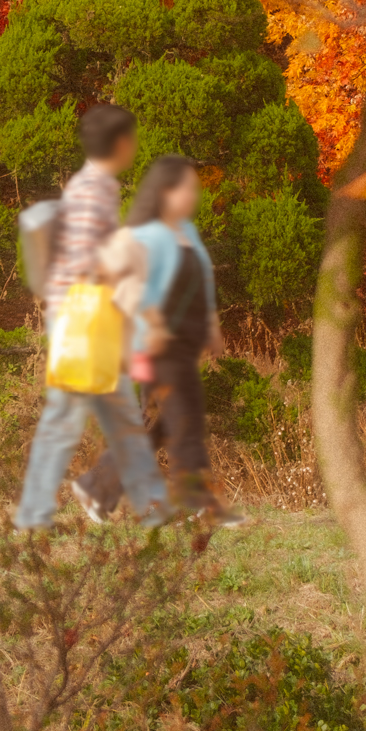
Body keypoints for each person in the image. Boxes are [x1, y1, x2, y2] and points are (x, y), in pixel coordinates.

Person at [13, 104, 169, 531]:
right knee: (75, 415)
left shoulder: (87, 186)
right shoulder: (96, 189)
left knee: (105, 411)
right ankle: (44, 510)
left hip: (79, 313)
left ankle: (140, 502)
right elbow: (89, 260)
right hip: (84, 315)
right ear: (120, 144)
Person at [90, 152, 244, 528]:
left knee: (164, 426)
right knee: (183, 422)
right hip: (155, 346)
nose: (193, 195)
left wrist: (211, 324)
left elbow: (202, 279)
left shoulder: (186, 232)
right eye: (185, 188)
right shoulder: (147, 234)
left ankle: (99, 488)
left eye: (194, 187)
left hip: (181, 346)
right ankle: (198, 504)